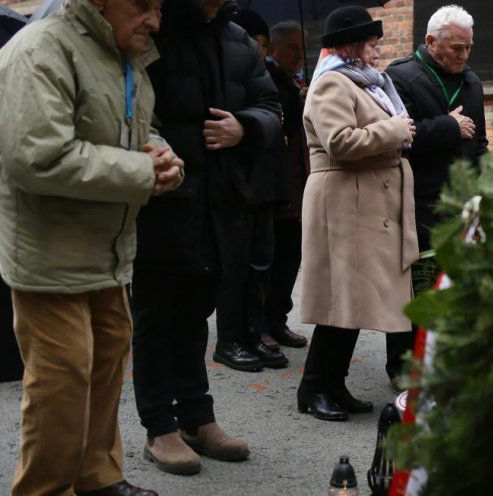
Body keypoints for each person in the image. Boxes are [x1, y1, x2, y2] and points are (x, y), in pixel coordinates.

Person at [0, 0, 183, 494]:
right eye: (141, 5)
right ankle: (45, 489)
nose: (154, 18)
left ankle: (98, 477)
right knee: (61, 383)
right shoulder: (38, 50)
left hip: (106, 250)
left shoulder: (120, 56)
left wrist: (161, 152)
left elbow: (122, 131)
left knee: (105, 365)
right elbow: (38, 158)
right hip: (48, 255)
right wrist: (142, 171)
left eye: (158, 6)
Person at [131, 0, 282, 476]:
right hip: (164, 196)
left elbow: (271, 107)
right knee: (157, 314)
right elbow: (130, 111)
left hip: (221, 199)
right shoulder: (152, 30)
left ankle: (197, 417)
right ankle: (159, 425)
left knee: (197, 311)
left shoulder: (237, 39)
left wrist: (246, 127)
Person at [297, 6, 418, 422]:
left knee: (351, 302)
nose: (377, 52)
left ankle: (333, 384)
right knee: (339, 301)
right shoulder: (332, 83)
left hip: (360, 203)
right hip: (343, 204)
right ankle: (313, 389)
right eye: (370, 45)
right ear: (351, 46)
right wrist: (397, 130)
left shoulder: (365, 84)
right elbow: (340, 142)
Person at [384, 4, 486, 389]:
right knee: (413, 287)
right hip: (416, 200)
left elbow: (478, 142)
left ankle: (441, 362)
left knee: (450, 287)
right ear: (430, 41)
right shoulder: (401, 76)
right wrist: (448, 126)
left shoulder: (472, 83)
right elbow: (399, 137)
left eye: (468, 48)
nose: (463, 56)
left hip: (459, 204)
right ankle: (402, 366)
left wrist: (485, 182)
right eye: (456, 48)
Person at [260, 20, 310, 349]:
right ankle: (260, 323)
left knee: (290, 257)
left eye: (303, 50)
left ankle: (278, 320)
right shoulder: (265, 79)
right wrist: (297, 99)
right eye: (293, 48)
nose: (299, 56)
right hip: (271, 185)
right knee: (269, 258)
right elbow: (279, 125)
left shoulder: (295, 83)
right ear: (273, 48)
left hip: (296, 185)